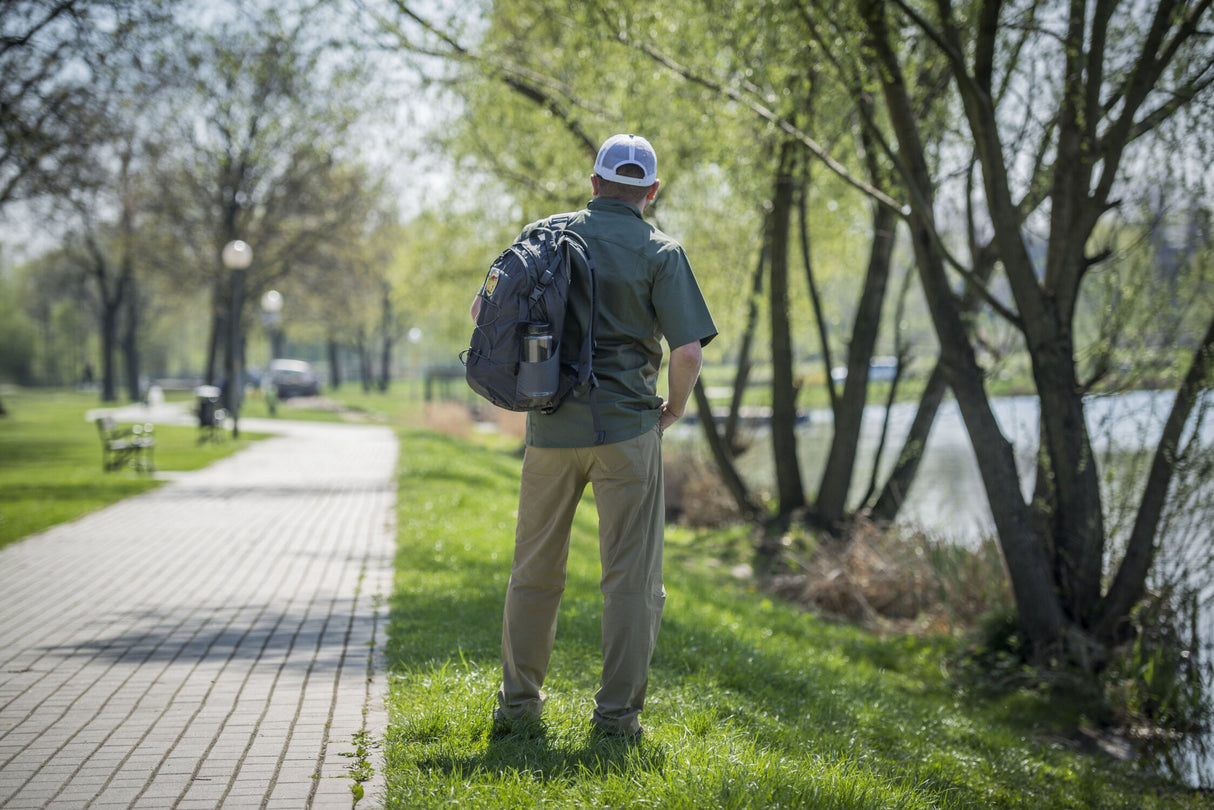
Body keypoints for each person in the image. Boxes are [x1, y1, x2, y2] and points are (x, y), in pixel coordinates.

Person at [477, 133, 717, 742]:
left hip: (550, 429)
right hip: (628, 431)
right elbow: (686, 350)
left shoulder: (548, 234)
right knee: (630, 579)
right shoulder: (662, 250)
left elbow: (484, 315)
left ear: (594, 183)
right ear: (651, 192)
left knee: (534, 571)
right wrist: (675, 410)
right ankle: (615, 721)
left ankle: (518, 708)